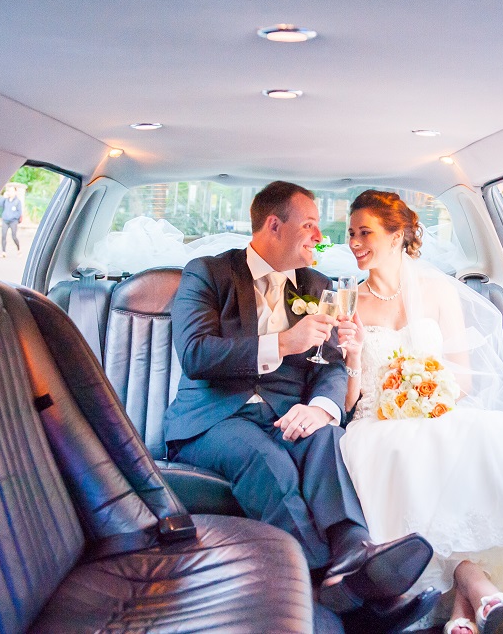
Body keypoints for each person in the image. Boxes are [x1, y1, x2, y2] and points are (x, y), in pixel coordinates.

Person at [163, 181, 436, 629]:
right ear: (275, 226)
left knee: (328, 437)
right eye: (309, 225)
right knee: (266, 460)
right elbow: (195, 354)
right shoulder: (207, 273)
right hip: (213, 420)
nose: (320, 237)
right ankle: (333, 592)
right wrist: (282, 342)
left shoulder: (318, 285)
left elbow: (329, 364)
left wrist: (323, 407)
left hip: (288, 415)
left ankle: (355, 552)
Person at [336, 190, 503, 634]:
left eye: (365, 232)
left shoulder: (439, 291)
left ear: (397, 235)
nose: (354, 242)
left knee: (478, 442)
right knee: (402, 454)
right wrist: (352, 357)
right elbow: (350, 404)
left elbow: (461, 379)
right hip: (376, 424)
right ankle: (475, 594)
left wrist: (423, 396)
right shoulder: (350, 303)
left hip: (437, 411)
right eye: (350, 233)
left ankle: (467, 605)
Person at [0, 185, 23, 257]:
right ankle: (3, 252)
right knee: (3, 236)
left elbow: (19, 212)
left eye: (12, 191)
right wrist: (3, 197)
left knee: (14, 236)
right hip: (5, 220)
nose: (10, 192)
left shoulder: (17, 201)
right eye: (9, 191)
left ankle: (18, 249)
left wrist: (13, 217)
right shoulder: (6, 200)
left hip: (13, 221)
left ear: (15, 192)